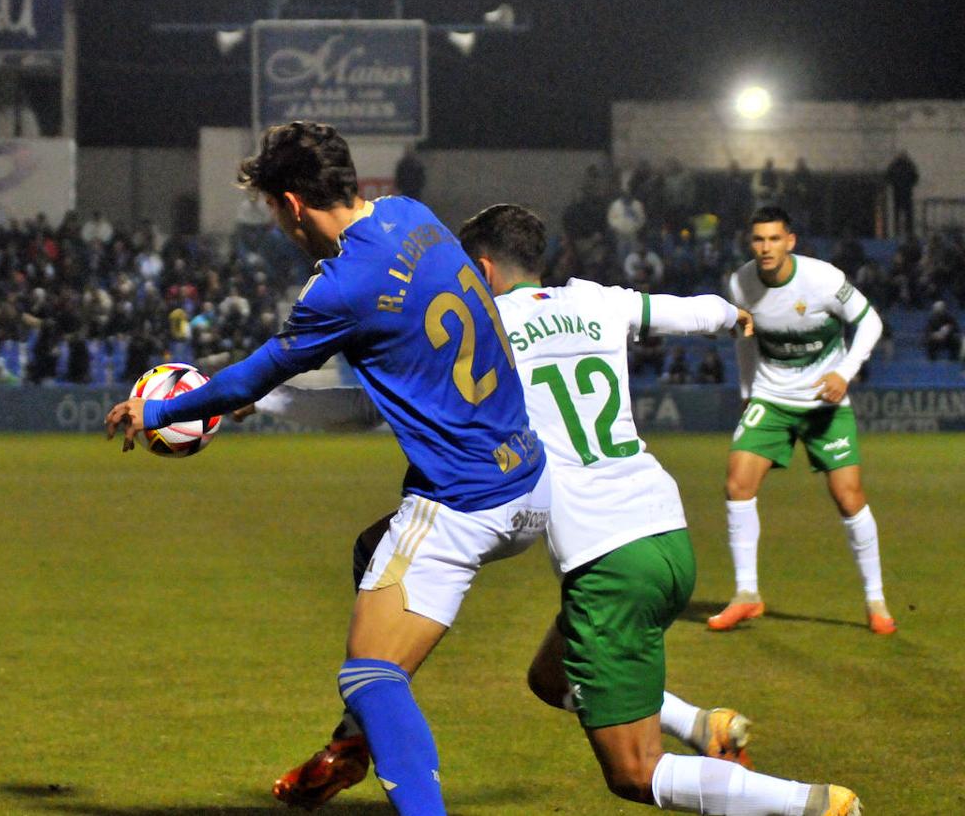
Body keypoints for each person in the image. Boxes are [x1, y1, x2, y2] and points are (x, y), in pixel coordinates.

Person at [258, 205, 859, 815]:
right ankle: (702, 725)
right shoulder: (595, 300)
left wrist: (263, 400)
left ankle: (810, 805)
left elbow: (366, 412)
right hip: (664, 532)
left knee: (634, 773)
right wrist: (736, 316)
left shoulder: (483, 330)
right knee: (550, 677)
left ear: (482, 269)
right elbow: (694, 310)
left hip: (608, 557)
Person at [105, 121, 552, 816]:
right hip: (527, 480)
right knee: (373, 552)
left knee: (370, 675)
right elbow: (377, 399)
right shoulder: (416, 217)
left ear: (291, 205)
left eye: (275, 217)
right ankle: (351, 743)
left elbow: (247, 375)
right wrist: (277, 404)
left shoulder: (341, 288)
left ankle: (381, 744)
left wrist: (157, 413)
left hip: (463, 502)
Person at [709, 206, 893, 636]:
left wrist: (844, 374)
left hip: (823, 401)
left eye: (774, 239)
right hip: (772, 397)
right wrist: (745, 393)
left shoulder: (823, 279)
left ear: (790, 241)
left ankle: (876, 599)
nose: (765, 247)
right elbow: (745, 340)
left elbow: (870, 323)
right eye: (758, 240)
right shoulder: (740, 283)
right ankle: (746, 595)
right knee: (738, 481)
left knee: (848, 496)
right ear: (750, 243)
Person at [884, 151, 919, 237]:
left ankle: (898, 232)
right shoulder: (909, 165)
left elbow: (888, 177)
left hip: (899, 193)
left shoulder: (895, 165)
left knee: (899, 214)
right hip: (905, 193)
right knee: (907, 215)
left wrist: (895, 184)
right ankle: (907, 232)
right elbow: (915, 177)